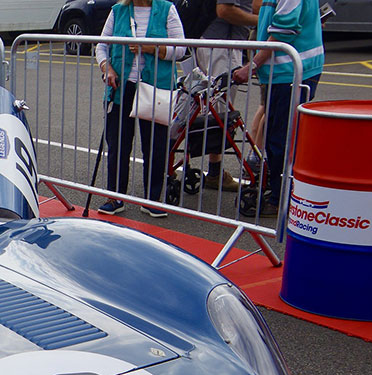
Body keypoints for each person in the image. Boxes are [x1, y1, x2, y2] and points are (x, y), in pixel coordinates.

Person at [93, 0, 185, 218]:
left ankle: (152, 200)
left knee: (155, 145)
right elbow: (101, 46)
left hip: (155, 87)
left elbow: (181, 49)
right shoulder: (118, 11)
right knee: (117, 144)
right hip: (122, 86)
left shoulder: (167, 9)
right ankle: (115, 197)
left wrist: (151, 48)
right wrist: (107, 68)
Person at [232, 0, 323, 217]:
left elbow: (284, 30)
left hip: (292, 71)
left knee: (281, 139)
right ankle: (280, 193)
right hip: (284, 72)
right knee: (277, 135)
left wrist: (252, 66)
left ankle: (281, 199)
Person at [187, 0, 257, 191]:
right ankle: (214, 173)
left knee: (207, 108)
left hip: (216, 43)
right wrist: (261, 20)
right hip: (221, 46)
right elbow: (225, 10)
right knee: (220, 112)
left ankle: (203, 169)